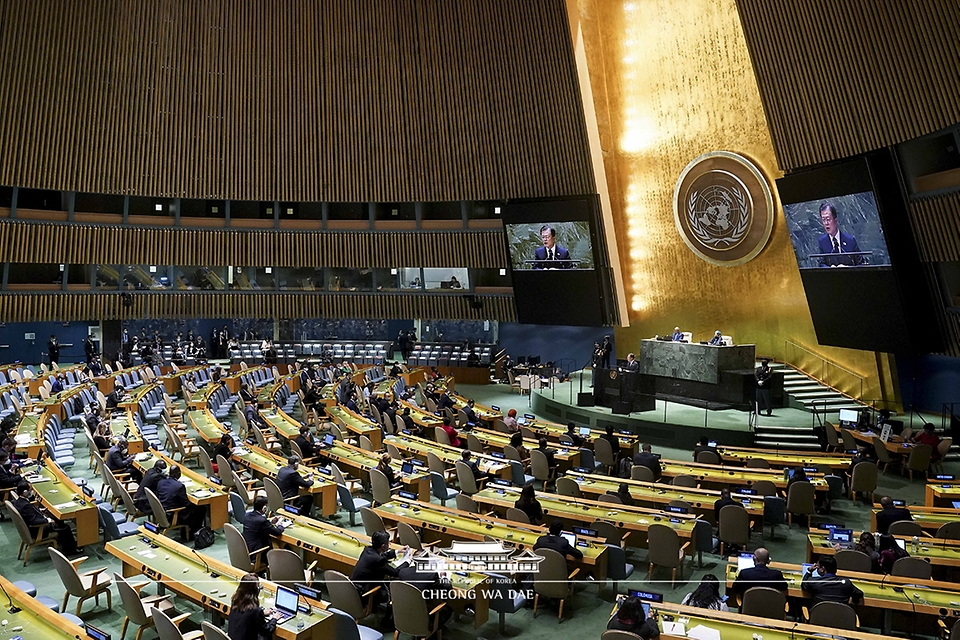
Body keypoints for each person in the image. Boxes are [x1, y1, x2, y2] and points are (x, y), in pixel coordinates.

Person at [13, 481, 80, 555]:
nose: (31, 491)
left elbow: (30, 513)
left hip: (32, 527)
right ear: (25, 492)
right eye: (30, 490)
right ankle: (70, 550)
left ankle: (64, 542)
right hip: (38, 530)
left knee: (58, 521)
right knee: (65, 527)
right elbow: (33, 521)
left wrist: (40, 511)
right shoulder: (25, 506)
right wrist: (47, 520)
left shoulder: (19, 502)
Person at [351, 530, 406, 611]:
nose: (389, 545)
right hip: (363, 595)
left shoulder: (367, 550)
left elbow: (382, 555)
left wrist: (397, 552)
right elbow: (395, 573)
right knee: (395, 592)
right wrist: (407, 561)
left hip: (353, 589)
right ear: (383, 546)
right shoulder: (379, 561)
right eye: (388, 543)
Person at [157, 465, 204, 540]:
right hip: (173, 515)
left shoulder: (161, 482)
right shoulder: (179, 486)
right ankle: (192, 533)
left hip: (162, 512)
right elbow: (186, 504)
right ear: (178, 474)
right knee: (200, 508)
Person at [227, 573, 277, 640]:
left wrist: (262, 614)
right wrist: (274, 619)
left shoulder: (235, 602)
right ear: (256, 590)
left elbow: (247, 617)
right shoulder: (255, 611)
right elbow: (266, 631)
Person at [817, 202, 864, 267]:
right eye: (823, 220)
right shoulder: (822, 242)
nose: (826, 223)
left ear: (835, 220)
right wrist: (830, 269)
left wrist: (847, 268)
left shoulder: (850, 240)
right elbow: (821, 264)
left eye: (828, 219)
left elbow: (861, 264)